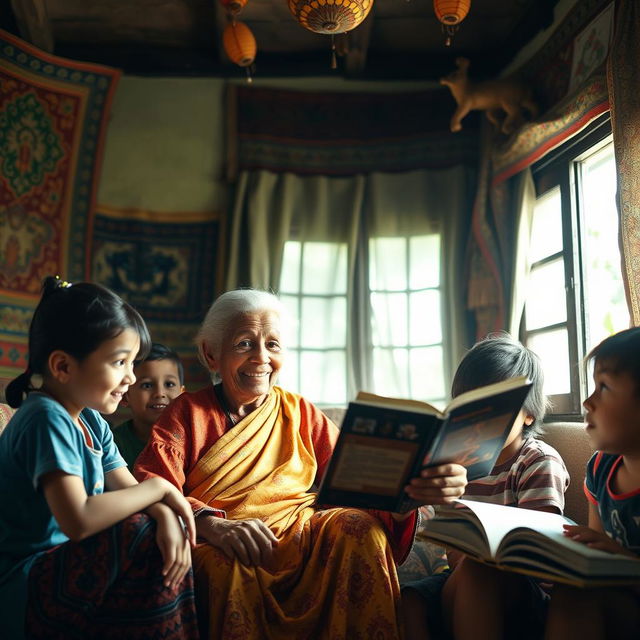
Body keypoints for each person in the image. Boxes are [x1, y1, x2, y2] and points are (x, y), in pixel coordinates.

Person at [134, 288, 468, 639]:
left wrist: (404, 499)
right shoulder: (186, 414)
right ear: (211, 354)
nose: (261, 358)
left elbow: (358, 481)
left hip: (301, 537)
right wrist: (213, 527)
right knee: (224, 565)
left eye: (273, 345)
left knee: (358, 527)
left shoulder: (300, 412)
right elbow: (153, 487)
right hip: (228, 541)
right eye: (244, 344)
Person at [0, 276, 199, 640]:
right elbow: (79, 519)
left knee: (155, 529)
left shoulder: (90, 419)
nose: (131, 377)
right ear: (62, 366)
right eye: (120, 362)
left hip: (69, 568)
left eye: (132, 362)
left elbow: (129, 491)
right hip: (24, 585)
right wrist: (159, 489)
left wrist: (166, 514)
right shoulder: (45, 418)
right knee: (138, 531)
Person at [402, 333, 569, 640]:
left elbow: (541, 556)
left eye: (497, 407)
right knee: (410, 600)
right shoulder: (458, 465)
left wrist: (478, 563)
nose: (482, 420)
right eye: (472, 406)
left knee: (479, 570)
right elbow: (452, 547)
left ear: (529, 413)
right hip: (462, 574)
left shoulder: (536, 462)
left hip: (523, 589)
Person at [545, 328, 640, 640]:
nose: (587, 401)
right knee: (575, 588)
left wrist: (623, 561)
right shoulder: (600, 468)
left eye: (604, 388)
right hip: (618, 605)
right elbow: (594, 555)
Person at [115, 342, 185, 469]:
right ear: (125, 396)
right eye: (146, 385)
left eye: (169, 384)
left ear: (182, 394)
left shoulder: (193, 439)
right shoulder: (113, 444)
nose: (159, 393)